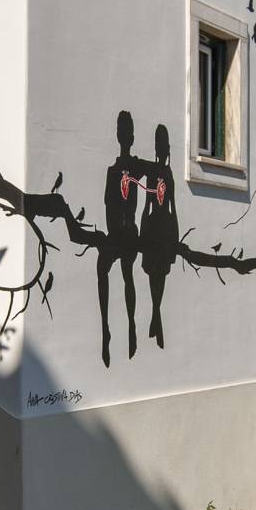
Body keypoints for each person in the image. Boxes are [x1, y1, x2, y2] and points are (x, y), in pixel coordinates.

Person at [97, 110, 143, 366]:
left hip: (129, 233)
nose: (124, 136)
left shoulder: (132, 168)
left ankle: (131, 325)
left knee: (127, 274)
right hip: (117, 233)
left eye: (126, 132)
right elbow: (107, 204)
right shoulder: (113, 170)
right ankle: (106, 330)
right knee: (104, 270)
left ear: (131, 136)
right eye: (122, 132)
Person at [139, 124, 178, 348]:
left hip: (164, 228)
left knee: (160, 276)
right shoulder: (153, 173)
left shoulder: (168, 173)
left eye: (164, 145)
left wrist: (176, 236)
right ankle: (156, 318)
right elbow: (146, 205)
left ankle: (156, 316)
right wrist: (143, 233)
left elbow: (174, 207)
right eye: (159, 145)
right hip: (154, 227)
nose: (162, 150)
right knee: (155, 275)